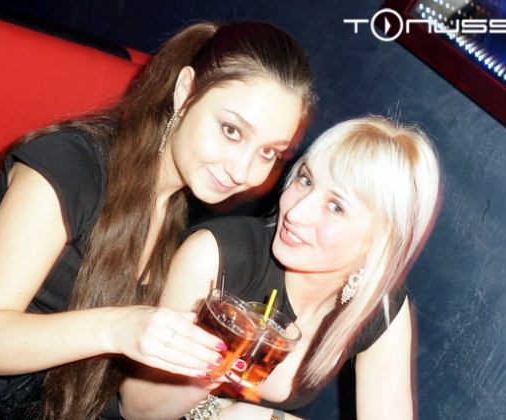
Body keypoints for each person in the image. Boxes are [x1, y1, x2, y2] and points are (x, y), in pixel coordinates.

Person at [0, 20, 316, 419]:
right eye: (231, 130)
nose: (243, 171)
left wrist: (213, 387)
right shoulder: (74, 164)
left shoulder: (175, 217)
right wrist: (122, 328)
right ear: (185, 92)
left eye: (269, 152)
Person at [120, 115, 442, 419]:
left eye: (335, 207)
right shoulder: (217, 254)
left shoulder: (377, 304)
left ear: (379, 243)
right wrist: (213, 371)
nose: (296, 212)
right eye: (306, 180)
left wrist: (265, 416)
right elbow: (134, 409)